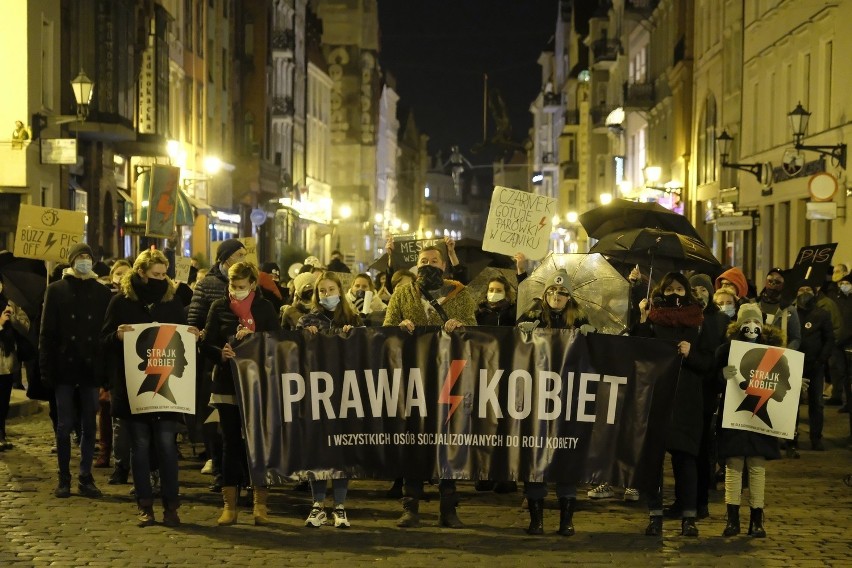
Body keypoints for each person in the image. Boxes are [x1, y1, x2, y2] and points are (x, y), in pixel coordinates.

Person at [102, 249, 200, 527]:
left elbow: (182, 340)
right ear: (141, 273)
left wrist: (193, 336)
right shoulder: (120, 302)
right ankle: (145, 505)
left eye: (163, 274)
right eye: (155, 275)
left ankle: (171, 505)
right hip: (133, 388)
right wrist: (117, 336)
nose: (160, 279)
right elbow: (103, 340)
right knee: (141, 447)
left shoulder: (171, 302)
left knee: (167, 446)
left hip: (168, 389)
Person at [383, 246, 476, 528]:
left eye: (434, 261)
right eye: (423, 261)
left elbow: (474, 330)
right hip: (414, 377)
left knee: (447, 440)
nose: (428, 265)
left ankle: (448, 506)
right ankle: (410, 505)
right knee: (413, 439)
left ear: (444, 266)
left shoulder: (461, 295)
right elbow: (386, 328)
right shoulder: (403, 293)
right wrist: (399, 325)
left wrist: (459, 326)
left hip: (449, 377)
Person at [634, 272, 716, 537]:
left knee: (685, 460)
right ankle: (654, 516)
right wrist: (643, 320)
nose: (675, 294)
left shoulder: (699, 322)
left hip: (687, 400)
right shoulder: (653, 318)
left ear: (688, 292)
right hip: (657, 396)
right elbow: (637, 351)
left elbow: (708, 363)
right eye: (669, 289)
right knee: (654, 461)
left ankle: (688, 517)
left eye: (680, 289)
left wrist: (690, 354)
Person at [201, 261, 280, 526]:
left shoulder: (265, 308)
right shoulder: (219, 307)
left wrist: (255, 339)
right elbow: (206, 343)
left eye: (242, 287)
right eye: (233, 287)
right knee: (230, 444)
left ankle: (260, 504)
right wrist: (219, 353)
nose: (236, 291)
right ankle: (230, 506)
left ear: (253, 285)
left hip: (259, 386)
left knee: (258, 444)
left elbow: (277, 343)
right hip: (227, 384)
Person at [516, 269, 593, 536]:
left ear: (569, 297)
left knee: (566, 454)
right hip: (536, 398)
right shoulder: (532, 316)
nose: (556, 296)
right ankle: (536, 519)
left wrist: (590, 337)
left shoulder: (580, 319)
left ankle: (566, 519)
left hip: (568, 399)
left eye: (562, 293)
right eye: (551, 291)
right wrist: (521, 332)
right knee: (536, 456)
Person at [40, 243, 113, 499]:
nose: (84, 261)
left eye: (87, 257)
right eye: (80, 257)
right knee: (64, 425)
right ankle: (64, 477)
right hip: (64, 367)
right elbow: (47, 333)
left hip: (90, 368)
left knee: (88, 426)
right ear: (71, 261)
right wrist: (46, 369)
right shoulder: (56, 290)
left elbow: (105, 335)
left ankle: (85, 476)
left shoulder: (102, 292)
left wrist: (104, 372)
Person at [297, 271, 363, 528]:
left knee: (341, 450)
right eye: (322, 291)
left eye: (331, 289)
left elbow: (364, 352)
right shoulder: (306, 320)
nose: (327, 295)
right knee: (318, 449)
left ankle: (340, 505)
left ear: (340, 291)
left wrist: (352, 335)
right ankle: (317, 504)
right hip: (316, 391)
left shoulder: (353, 318)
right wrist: (305, 337)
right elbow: (293, 352)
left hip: (345, 392)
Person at [716, 303, 786, 538]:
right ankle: (732, 519)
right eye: (747, 321)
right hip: (734, 415)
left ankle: (757, 519)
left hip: (760, 418)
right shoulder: (726, 350)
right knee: (733, 466)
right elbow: (712, 378)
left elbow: (782, 379)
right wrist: (721, 376)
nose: (752, 326)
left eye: (756, 322)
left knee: (757, 467)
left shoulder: (773, 352)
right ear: (738, 324)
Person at [187, 239, 247, 490]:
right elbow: (194, 318)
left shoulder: (252, 285)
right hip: (214, 361)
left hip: (243, 364)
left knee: (239, 425)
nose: (244, 258)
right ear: (226, 258)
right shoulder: (208, 284)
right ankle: (220, 472)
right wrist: (207, 342)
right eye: (240, 254)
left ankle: (241, 474)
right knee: (215, 422)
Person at [795, 282, 835, 451]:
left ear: (814, 292)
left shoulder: (822, 314)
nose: (804, 292)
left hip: (815, 366)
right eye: (801, 289)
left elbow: (829, 339)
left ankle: (816, 437)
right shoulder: (791, 313)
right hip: (794, 365)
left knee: (816, 402)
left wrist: (821, 359)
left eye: (808, 290)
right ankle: (791, 437)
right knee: (792, 403)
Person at [0, 295, 32, 451]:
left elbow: (26, 327)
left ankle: (1, 433)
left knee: (3, 400)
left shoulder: (11, 304)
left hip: (7, 362)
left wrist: (12, 318)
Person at [756, 268, 801, 350]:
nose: (773, 284)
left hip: (778, 355)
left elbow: (795, 338)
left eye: (777, 282)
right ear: (765, 282)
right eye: (770, 280)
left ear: (783, 285)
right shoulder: (754, 304)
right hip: (755, 351)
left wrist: (787, 353)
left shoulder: (789, 310)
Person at [827, 274, 852, 416]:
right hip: (838, 341)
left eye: (847, 283)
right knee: (838, 371)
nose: (843, 285)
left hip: (849, 342)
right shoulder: (837, 298)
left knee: (849, 375)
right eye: (842, 282)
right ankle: (840, 398)